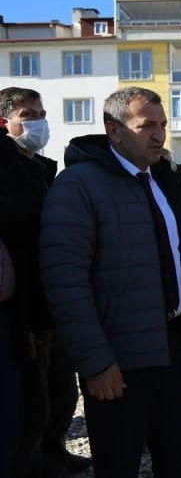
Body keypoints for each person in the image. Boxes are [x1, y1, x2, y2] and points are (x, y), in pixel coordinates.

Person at [39, 87, 181, 478]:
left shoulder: (161, 180)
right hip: (117, 362)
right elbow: (65, 280)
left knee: (175, 458)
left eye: (163, 125)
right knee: (119, 464)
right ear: (114, 130)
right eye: (146, 125)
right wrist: (96, 362)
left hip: (167, 349)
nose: (159, 135)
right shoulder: (78, 185)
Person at [0, 87, 58, 478]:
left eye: (41, 113)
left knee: (50, 396)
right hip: (15, 308)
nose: (38, 121)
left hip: (44, 302)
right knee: (22, 406)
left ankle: (48, 457)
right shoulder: (5, 168)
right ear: (4, 122)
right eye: (27, 114)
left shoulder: (42, 170)